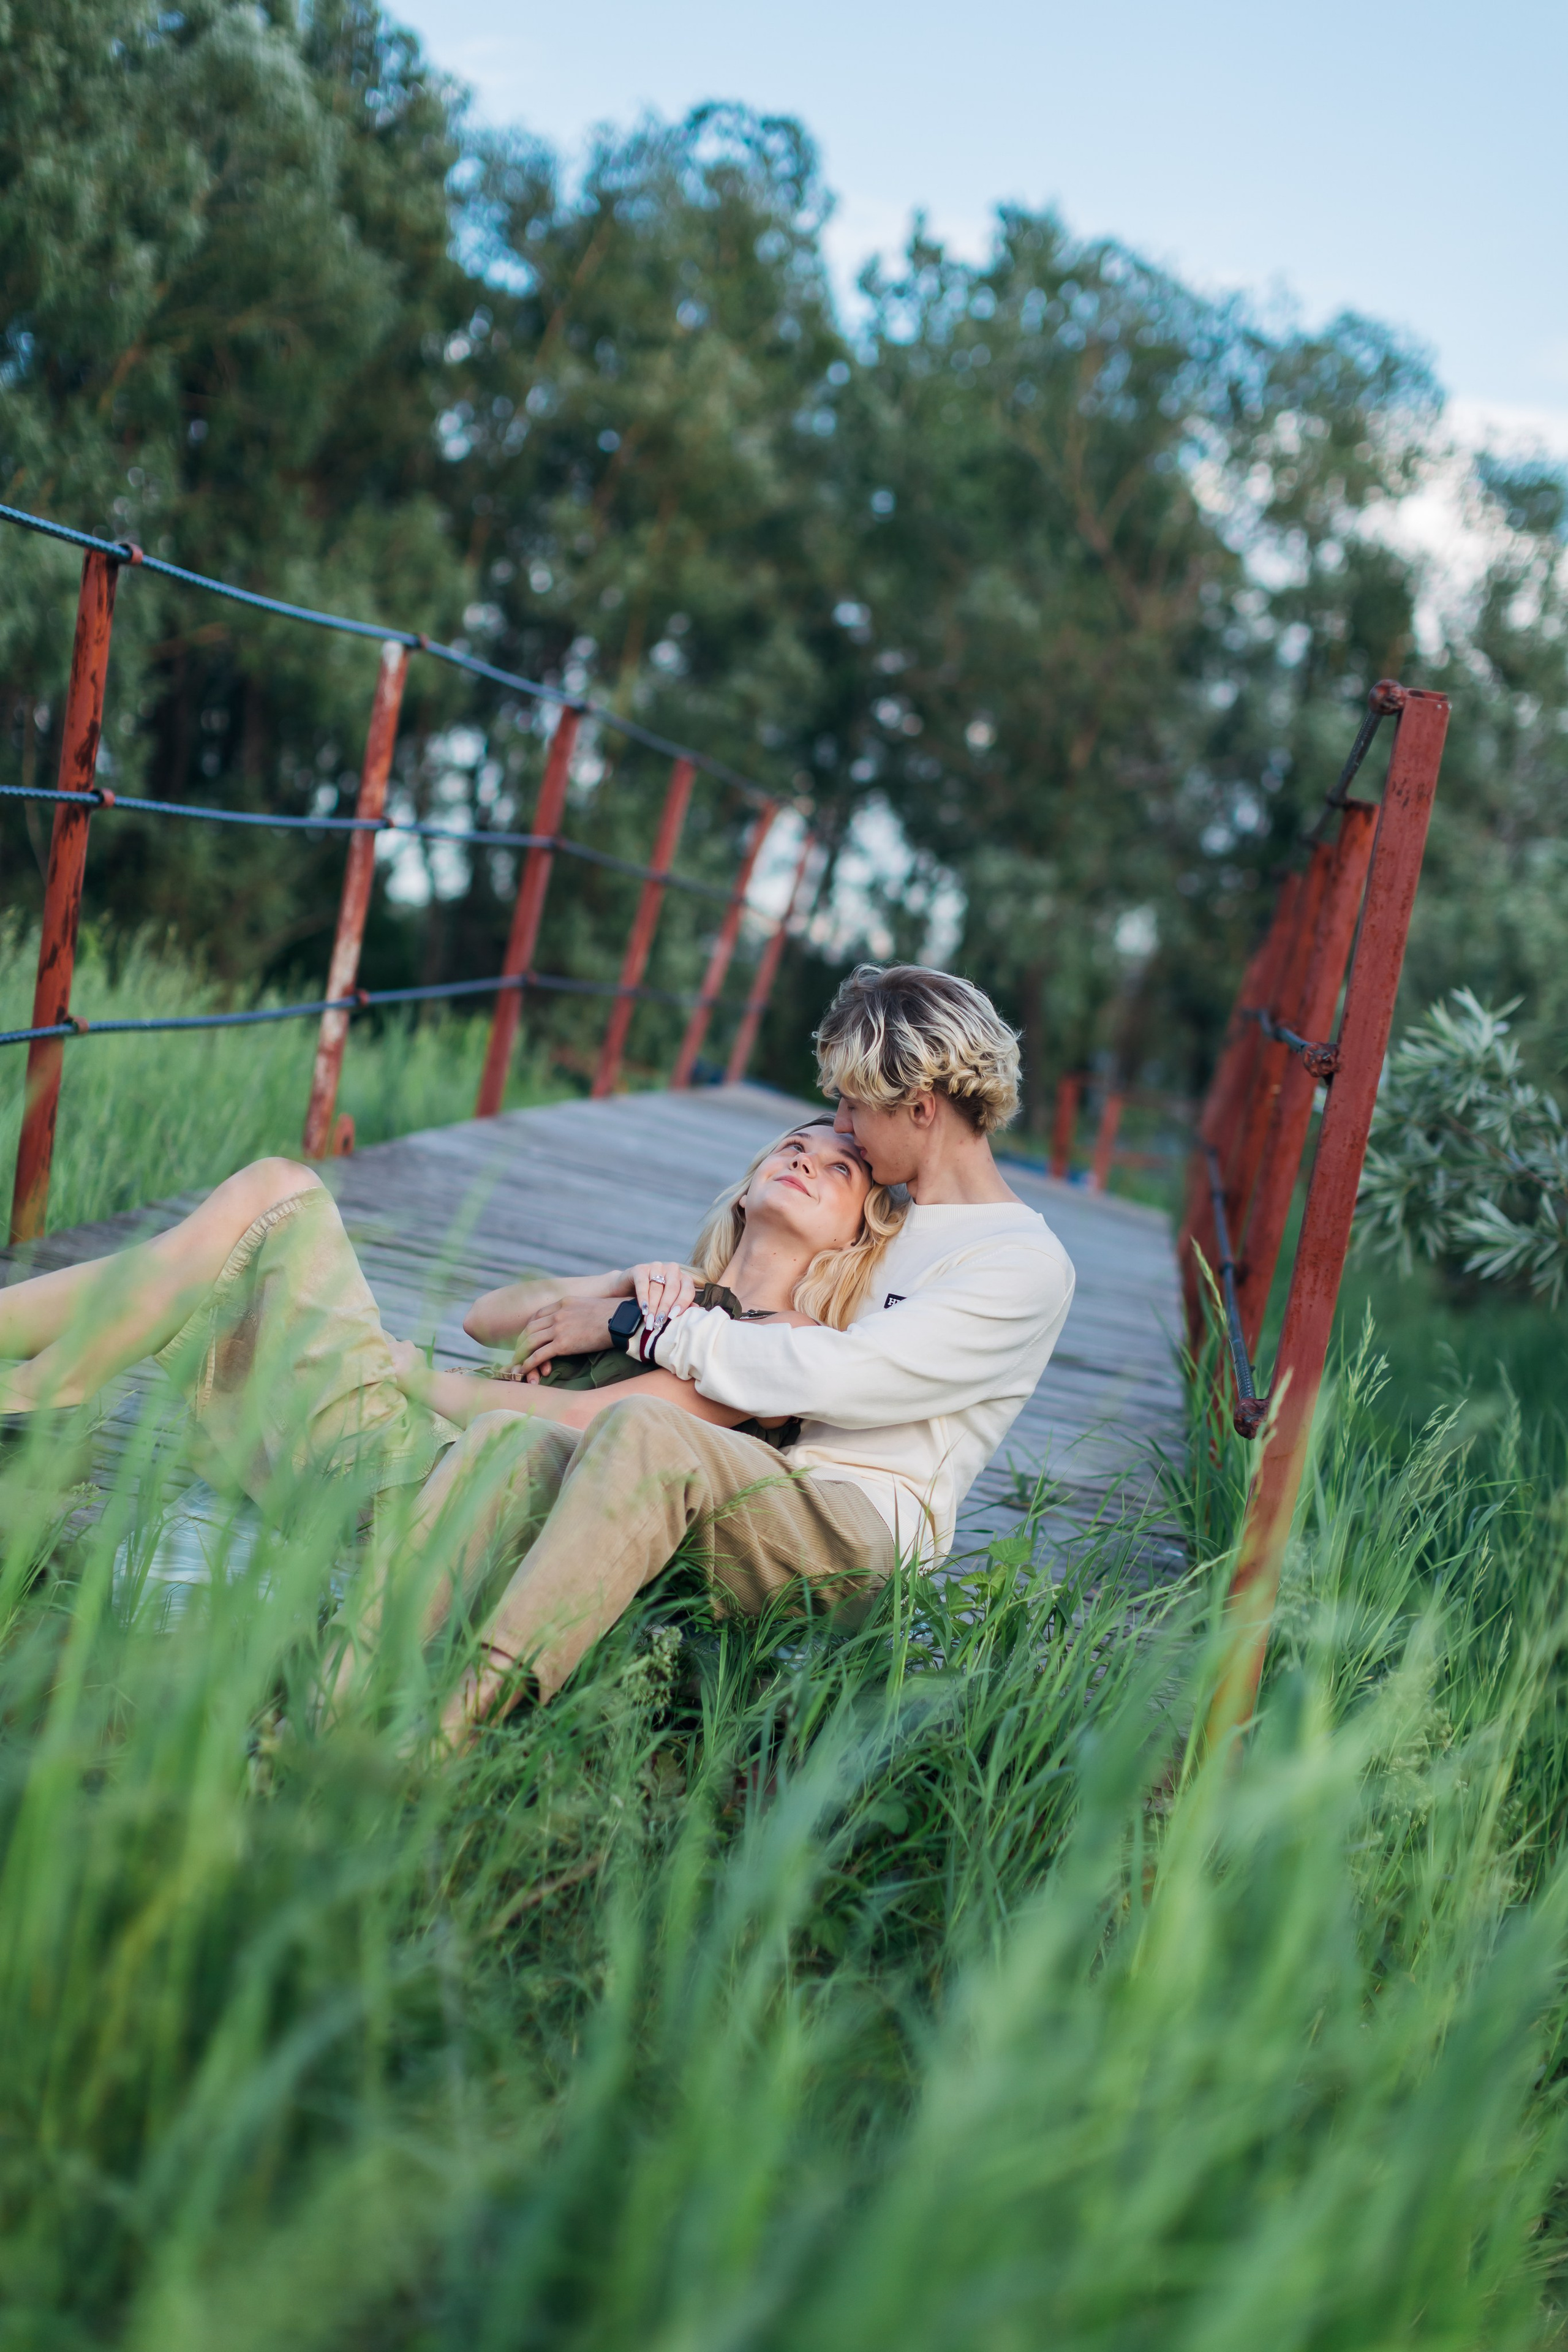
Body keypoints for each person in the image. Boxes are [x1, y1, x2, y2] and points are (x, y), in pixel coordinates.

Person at [0, 1117, 905, 1684]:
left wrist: (406, 1374)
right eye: (794, 1145)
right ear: (746, 1183)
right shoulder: (676, 1291)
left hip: (436, 1483)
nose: (806, 1159)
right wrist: (622, 1286)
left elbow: (598, 1427)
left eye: (839, 1168)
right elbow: (491, 1316)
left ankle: (47, 1385)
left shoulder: (786, 1347)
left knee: (279, 1195)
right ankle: (40, 1381)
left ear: (857, 1231)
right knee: (215, 1250)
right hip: (407, 1451)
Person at [435, 963, 1075, 1739]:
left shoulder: (1019, 1264)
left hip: (860, 1523)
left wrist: (630, 1325)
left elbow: (839, 1374)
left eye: (852, 1104)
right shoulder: (880, 1215)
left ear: (918, 1107)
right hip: (750, 1463)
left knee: (642, 1430)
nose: (839, 1126)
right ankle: (365, 1680)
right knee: (514, 1441)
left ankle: (455, 1726)